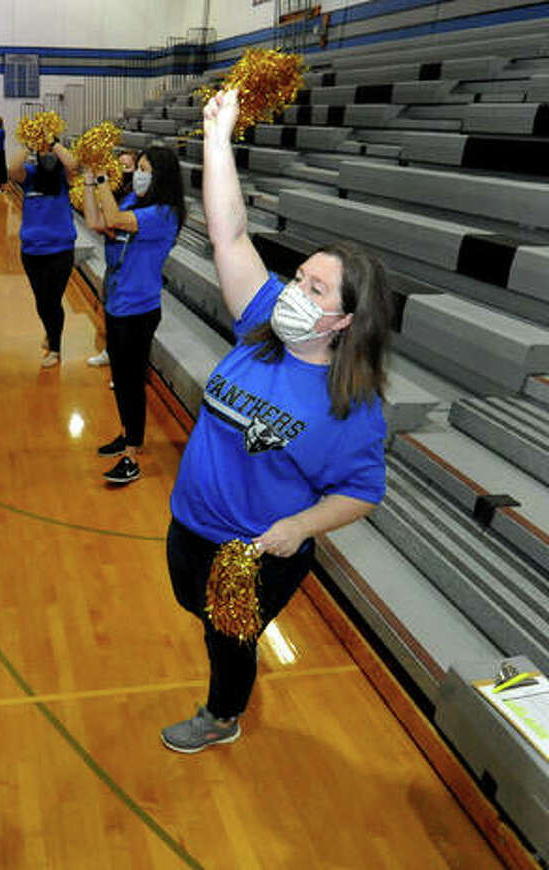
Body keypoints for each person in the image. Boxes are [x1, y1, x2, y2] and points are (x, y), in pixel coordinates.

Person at [161, 89, 391, 753]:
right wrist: (217, 135)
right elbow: (230, 233)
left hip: (255, 554)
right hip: (189, 521)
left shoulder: (352, 404)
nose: (294, 291)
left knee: (227, 640)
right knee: (193, 605)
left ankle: (222, 715)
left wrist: (299, 528)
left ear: (344, 320)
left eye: (315, 289)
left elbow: (361, 492)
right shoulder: (263, 321)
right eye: (299, 278)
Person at [82, 146, 186, 485]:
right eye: (137, 168)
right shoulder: (132, 202)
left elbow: (112, 220)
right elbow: (97, 221)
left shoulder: (164, 213)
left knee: (131, 382)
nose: (137, 175)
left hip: (139, 308)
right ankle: (128, 434)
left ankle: (132, 454)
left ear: (161, 176)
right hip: (117, 302)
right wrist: (89, 182)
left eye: (144, 169)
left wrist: (102, 179)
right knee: (120, 377)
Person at [8, 139, 78, 367]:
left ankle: (55, 348)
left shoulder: (64, 177)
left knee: (53, 301)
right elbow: (12, 168)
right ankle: (51, 329)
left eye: (51, 152)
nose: (48, 155)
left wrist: (53, 142)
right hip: (31, 251)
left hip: (61, 250)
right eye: (43, 152)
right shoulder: (30, 175)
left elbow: (73, 163)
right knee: (42, 301)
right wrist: (30, 142)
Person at [86, 150, 138, 370]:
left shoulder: (139, 198)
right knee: (109, 308)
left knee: (128, 318)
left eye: (128, 167)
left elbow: (115, 222)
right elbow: (97, 222)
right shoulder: (112, 194)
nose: (123, 171)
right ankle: (111, 351)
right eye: (120, 166)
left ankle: (127, 365)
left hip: (131, 267)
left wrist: (110, 225)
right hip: (113, 264)